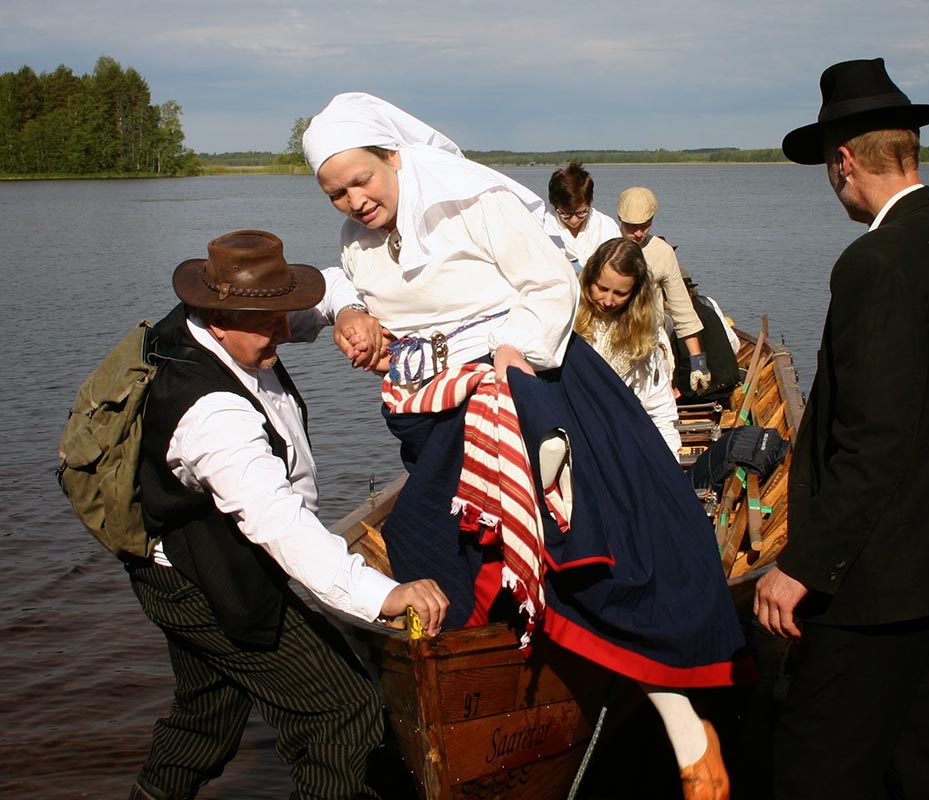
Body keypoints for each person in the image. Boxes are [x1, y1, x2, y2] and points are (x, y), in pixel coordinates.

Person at [303, 92, 752, 800]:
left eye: (363, 179)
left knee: (573, 555)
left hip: (527, 388)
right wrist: (354, 313)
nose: (353, 200)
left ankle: (685, 727)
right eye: (335, 193)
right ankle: (487, 681)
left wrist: (516, 352)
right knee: (445, 545)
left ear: (396, 157)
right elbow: (357, 291)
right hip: (439, 412)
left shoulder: (471, 202)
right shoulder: (359, 243)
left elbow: (549, 284)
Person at [754, 58, 929, 800]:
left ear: (842, 161)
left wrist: (803, 564)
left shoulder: (876, 262)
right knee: (924, 771)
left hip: (871, 595)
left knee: (816, 770)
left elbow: (873, 440)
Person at [128, 229, 449, 800]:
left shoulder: (222, 327)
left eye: (283, 312)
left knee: (208, 718)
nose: (285, 329)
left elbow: (328, 293)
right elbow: (279, 523)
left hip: (192, 552)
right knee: (343, 711)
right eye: (269, 320)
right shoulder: (212, 415)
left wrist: (350, 313)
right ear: (218, 316)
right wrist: (382, 596)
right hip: (204, 571)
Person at [575, 237, 680, 454]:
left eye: (620, 294)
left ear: (635, 294)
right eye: (601, 288)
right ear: (588, 279)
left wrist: (669, 462)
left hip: (615, 439)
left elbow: (659, 408)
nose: (608, 301)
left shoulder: (644, 335)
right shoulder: (564, 313)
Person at [617, 186, 711, 394]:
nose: (639, 233)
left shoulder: (663, 252)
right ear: (620, 219)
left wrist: (698, 363)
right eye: (632, 227)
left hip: (652, 341)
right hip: (616, 341)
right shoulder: (607, 248)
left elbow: (682, 309)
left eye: (645, 226)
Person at [674, 268, 741, 404]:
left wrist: (680, 391)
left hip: (706, 392)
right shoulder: (706, 308)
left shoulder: (683, 318)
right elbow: (735, 345)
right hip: (727, 384)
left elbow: (688, 361)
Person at [543, 159, 621, 271]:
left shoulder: (607, 227)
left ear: (590, 201)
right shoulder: (543, 227)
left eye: (581, 213)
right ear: (555, 204)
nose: (574, 220)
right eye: (565, 213)